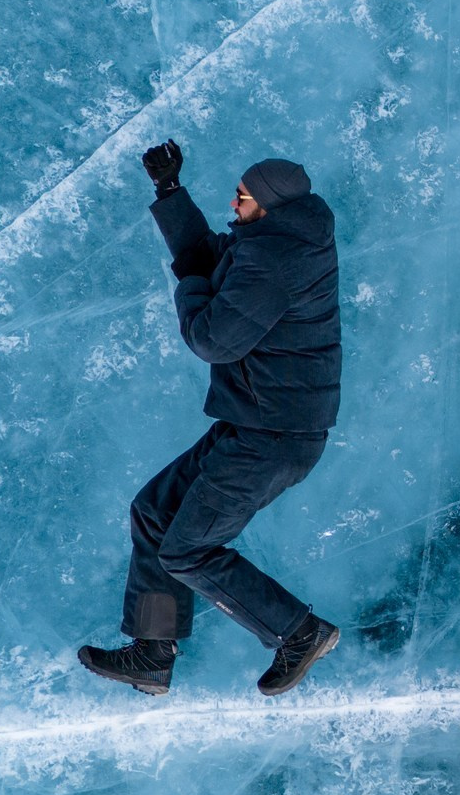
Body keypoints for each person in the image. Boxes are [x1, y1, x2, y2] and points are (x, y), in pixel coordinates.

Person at [78, 141, 345, 697]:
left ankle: (299, 632)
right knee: (155, 513)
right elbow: (211, 255)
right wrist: (171, 192)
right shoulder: (277, 240)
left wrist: (191, 287)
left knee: (187, 550)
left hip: (274, 435)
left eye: (242, 197)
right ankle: (152, 653)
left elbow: (212, 339)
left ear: (267, 206)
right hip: (254, 423)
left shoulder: (275, 260)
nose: (235, 201)